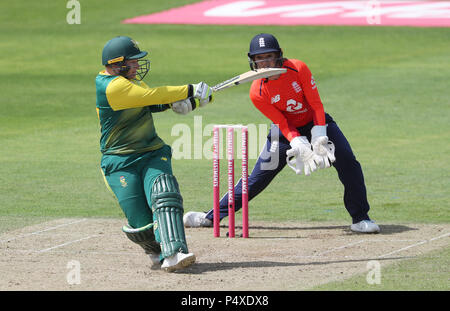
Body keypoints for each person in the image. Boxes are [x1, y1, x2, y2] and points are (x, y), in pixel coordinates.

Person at [183, 33, 380, 233]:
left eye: (269, 56)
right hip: (284, 132)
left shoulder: (298, 68)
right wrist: (297, 141)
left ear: (280, 55)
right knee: (258, 177)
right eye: (259, 59)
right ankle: (210, 217)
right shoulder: (257, 91)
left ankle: (360, 218)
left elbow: (316, 105)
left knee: (348, 162)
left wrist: (319, 135)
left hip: (317, 122)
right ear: (253, 61)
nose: (265, 63)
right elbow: (281, 121)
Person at [96, 35, 214, 272]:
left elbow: (153, 104)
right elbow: (151, 96)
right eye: (133, 62)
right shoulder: (111, 86)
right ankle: (156, 251)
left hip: (151, 152)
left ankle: (175, 253)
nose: (138, 66)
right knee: (140, 223)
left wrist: (183, 103)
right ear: (117, 64)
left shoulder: (131, 84)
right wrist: (190, 89)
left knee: (164, 192)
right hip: (119, 161)